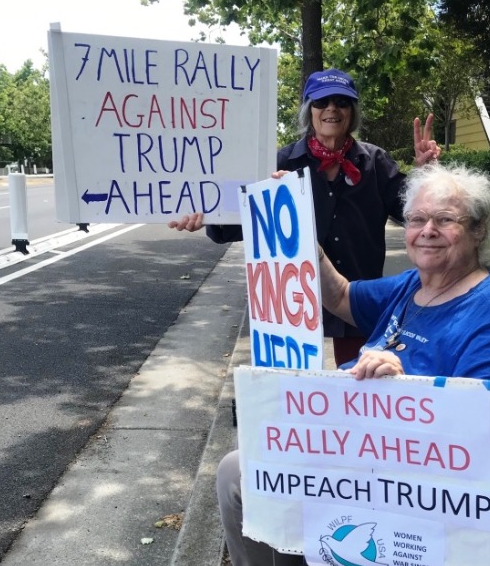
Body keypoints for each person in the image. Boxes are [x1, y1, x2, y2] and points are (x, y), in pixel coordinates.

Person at [212, 162, 490, 566]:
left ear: (476, 231)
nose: (427, 231)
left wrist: (405, 384)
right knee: (261, 438)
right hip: (371, 460)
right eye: (415, 219)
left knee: (242, 471)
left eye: (445, 220)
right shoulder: (416, 286)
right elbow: (340, 295)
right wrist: (299, 226)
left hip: (420, 490)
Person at [169, 68, 441, 365]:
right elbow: (239, 220)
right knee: (296, 397)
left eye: (342, 102)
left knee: (358, 391)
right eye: (321, 102)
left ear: (352, 112)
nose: (331, 109)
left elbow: (415, 214)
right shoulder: (279, 163)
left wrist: (425, 174)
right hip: (292, 303)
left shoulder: (375, 162)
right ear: (308, 111)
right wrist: (207, 214)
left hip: (357, 299)